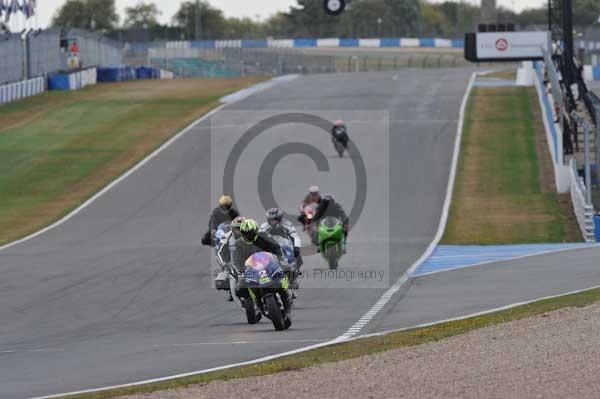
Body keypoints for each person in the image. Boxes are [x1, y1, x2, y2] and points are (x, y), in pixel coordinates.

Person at [234, 219, 292, 309]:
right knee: (239, 288)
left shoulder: (264, 236)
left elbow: (276, 247)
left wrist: (282, 260)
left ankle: (286, 291)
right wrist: (241, 272)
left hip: (269, 264)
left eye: (250, 233)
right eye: (245, 233)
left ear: (256, 231)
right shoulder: (239, 243)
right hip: (251, 269)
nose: (248, 235)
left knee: (289, 269)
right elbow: (237, 259)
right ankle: (255, 301)